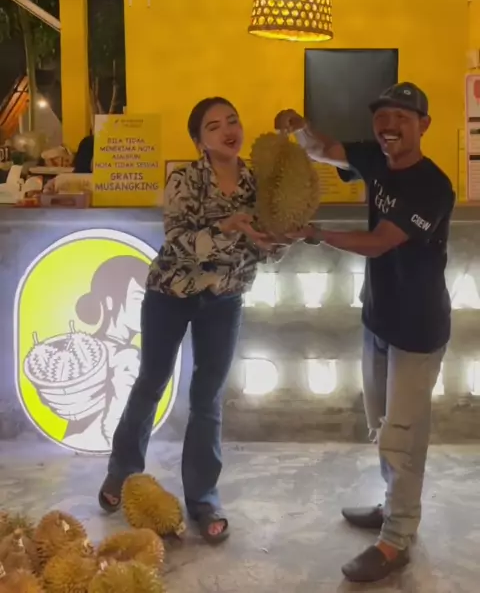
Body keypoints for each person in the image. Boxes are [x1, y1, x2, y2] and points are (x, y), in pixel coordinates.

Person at [275, 82, 455, 584]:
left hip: (417, 328)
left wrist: (316, 233)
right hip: (378, 316)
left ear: (424, 125)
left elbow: (379, 242)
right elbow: (325, 150)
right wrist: (299, 128)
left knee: (403, 436)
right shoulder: (377, 160)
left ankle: (397, 539)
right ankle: (392, 504)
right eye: (382, 116)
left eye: (402, 117)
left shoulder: (432, 186)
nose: (389, 125)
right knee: (381, 424)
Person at [98, 97, 272, 544]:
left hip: (225, 299)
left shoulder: (259, 183)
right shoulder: (185, 179)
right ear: (199, 141)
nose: (228, 130)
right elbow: (177, 242)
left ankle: (203, 499)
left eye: (233, 120)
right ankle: (122, 472)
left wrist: (279, 238)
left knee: (207, 397)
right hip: (170, 294)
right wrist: (229, 227)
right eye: (214, 127)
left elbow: (265, 249)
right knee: (151, 383)